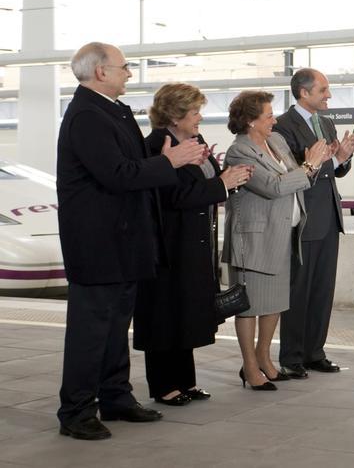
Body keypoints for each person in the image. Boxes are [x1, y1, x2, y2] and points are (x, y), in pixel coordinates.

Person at [56, 43, 207, 441]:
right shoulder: (87, 115)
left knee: (115, 327)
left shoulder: (113, 111)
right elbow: (117, 174)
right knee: (91, 331)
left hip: (123, 241)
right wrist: (170, 162)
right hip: (98, 243)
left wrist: (168, 160)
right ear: (100, 72)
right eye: (124, 68)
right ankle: (76, 411)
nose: (129, 74)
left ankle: (116, 397)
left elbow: (135, 167)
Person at [134, 84, 252, 407]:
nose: (200, 117)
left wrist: (230, 179)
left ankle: (185, 381)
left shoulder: (195, 141)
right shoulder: (155, 147)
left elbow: (205, 182)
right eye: (195, 111)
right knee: (165, 313)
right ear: (175, 115)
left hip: (195, 242)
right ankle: (163, 385)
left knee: (185, 312)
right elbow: (172, 197)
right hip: (170, 243)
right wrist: (221, 185)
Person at [223, 91, 326, 391]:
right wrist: (308, 166)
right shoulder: (238, 152)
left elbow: (298, 179)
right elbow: (273, 187)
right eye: (268, 115)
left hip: (282, 233)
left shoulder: (277, 142)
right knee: (249, 306)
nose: (275, 119)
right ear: (251, 121)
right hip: (253, 239)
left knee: (275, 303)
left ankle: (264, 359)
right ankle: (250, 367)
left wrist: (317, 164)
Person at [272, 68, 354, 379]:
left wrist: (343, 157)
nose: (329, 95)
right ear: (303, 93)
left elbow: (332, 170)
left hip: (329, 217)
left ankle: (314, 352)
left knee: (323, 289)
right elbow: (292, 173)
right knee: (299, 290)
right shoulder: (282, 126)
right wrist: (321, 161)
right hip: (304, 217)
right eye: (323, 90)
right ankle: (292, 356)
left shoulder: (325, 122)